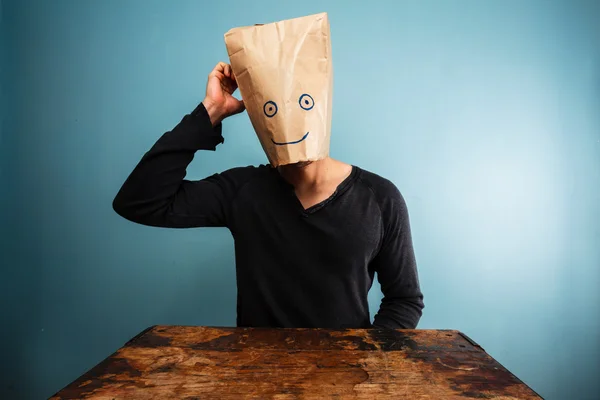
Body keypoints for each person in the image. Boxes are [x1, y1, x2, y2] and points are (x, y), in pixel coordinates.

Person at [113, 62, 424, 329]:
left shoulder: (381, 198)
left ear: (322, 105)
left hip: (348, 382)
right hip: (256, 380)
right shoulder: (243, 190)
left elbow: (404, 300)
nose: (291, 121)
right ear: (259, 117)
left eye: (303, 104)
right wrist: (211, 111)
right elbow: (140, 202)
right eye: (273, 109)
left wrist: (367, 362)